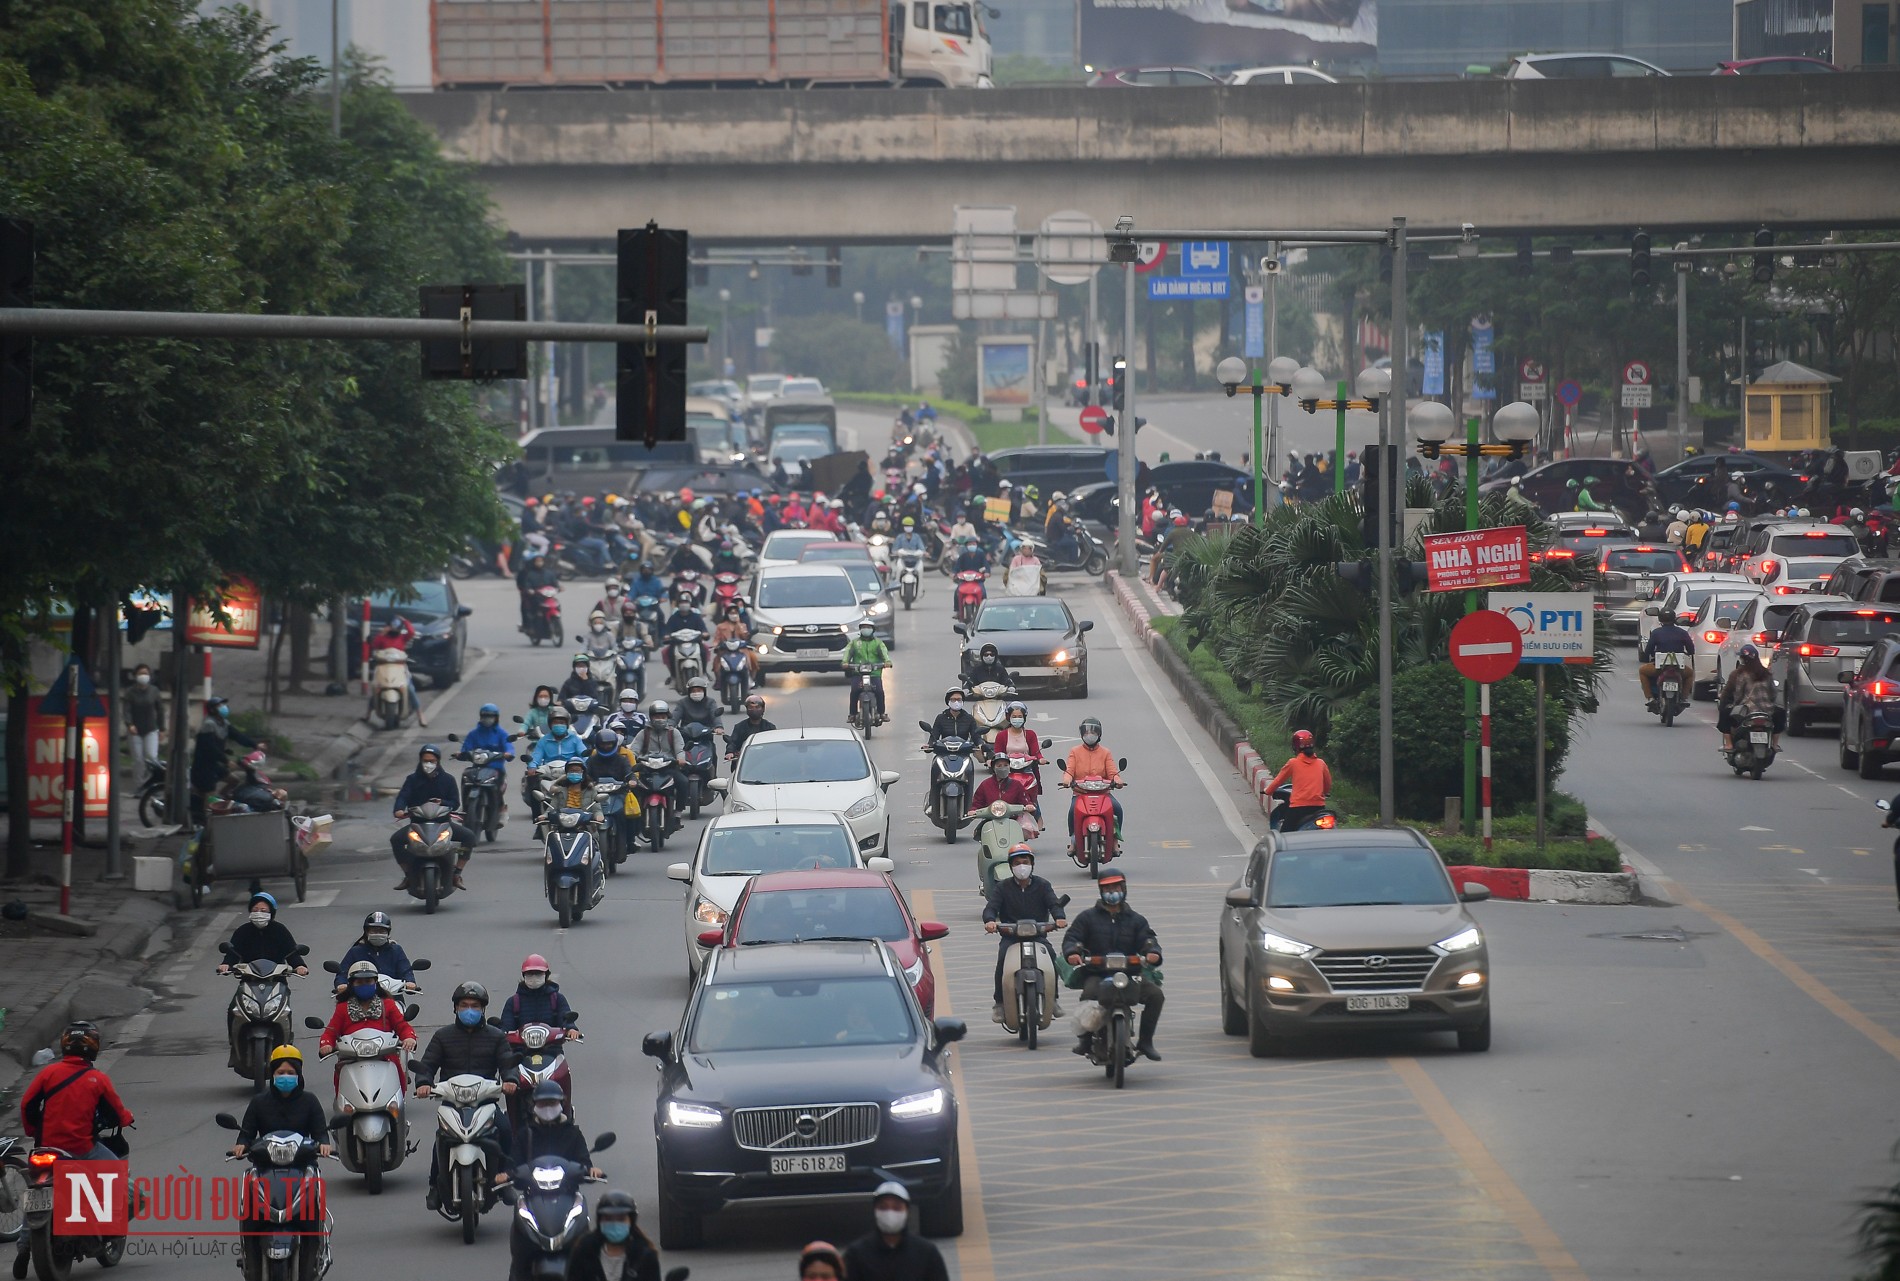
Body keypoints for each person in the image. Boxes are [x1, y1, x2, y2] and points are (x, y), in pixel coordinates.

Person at [416, 981, 518, 1209]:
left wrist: (510, 1079)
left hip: (486, 1102)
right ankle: (435, 1185)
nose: (469, 1010)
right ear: (455, 1008)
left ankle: (506, 1179)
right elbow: (427, 1065)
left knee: (505, 1130)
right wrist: (423, 1083)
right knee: (443, 1137)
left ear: (483, 1009)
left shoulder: (496, 1036)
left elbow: (507, 1063)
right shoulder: (443, 1036)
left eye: (474, 1005)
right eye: (464, 1005)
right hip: (453, 1103)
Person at [1063, 869, 1164, 1060]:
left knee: (1156, 995)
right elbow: (1072, 938)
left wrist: (1152, 953)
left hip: (1130, 974)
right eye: (1107, 888)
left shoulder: (1136, 920)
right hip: (1097, 973)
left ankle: (1146, 1041)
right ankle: (1085, 1039)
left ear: (1123, 889)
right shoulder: (1087, 918)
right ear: (1101, 891)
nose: (1112, 891)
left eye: (1116, 887)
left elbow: (1148, 940)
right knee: (1089, 994)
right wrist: (1073, 953)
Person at [20, 1022, 135, 1163]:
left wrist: (34, 1131)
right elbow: (116, 1114)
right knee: (116, 1175)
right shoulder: (98, 1080)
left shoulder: (48, 1073)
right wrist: (126, 1118)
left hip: (46, 1147)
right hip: (82, 1149)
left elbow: (27, 1105)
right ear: (93, 1046)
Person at [983, 845, 1067, 1021]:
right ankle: (999, 1003)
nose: (1022, 866)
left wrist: (1059, 918)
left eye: (1025, 862)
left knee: (1052, 958)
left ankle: (1054, 999)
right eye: (1017, 863)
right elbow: (991, 908)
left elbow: (1054, 904)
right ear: (1011, 866)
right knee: (1002, 961)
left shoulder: (1043, 885)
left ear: (1032, 864)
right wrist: (990, 921)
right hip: (1011, 937)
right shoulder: (1003, 887)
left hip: (1038, 935)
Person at [318, 960, 419, 1089]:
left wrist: (409, 1037)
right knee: (341, 1072)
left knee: (396, 1066)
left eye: (368, 981)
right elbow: (331, 1031)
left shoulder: (387, 1004)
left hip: (384, 1056)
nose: (364, 985)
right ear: (352, 984)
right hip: (351, 1057)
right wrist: (326, 1043)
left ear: (375, 983)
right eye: (359, 982)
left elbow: (402, 1026)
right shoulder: (342, 1008)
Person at [389, 743, 475, 891]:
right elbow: (403, 797)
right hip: (417, 824)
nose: (428, 764)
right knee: (396, 840)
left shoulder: (448, 780)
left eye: (432, 761)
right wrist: (398, 810)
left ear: (438, 761)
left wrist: (442, 802)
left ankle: (457, 873)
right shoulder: (412, 780)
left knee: (469, 837)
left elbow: (455, 803)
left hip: (443, 824)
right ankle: (408, 875)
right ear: (420, 761)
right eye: (425, 761)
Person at [229, 1045, 331, 1160]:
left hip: (302, 1161)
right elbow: (247, 1134)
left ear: (299, 1075)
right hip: (265, 1162)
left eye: (291, 1073)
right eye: (281, 1072)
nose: (286, 1076)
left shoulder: (310, 1101)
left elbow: (320, 1132)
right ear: (273, 1075)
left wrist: (323, 1143)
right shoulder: (259, 1102)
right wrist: (241, 1144)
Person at [843, 1182, 950, 1281]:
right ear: (875, 1210)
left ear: (907, 1211)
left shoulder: (927, 1253)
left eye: (897, 1207)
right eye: (883, 1207)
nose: (890, 1212)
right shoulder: (856, 1254)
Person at [566, 1190, 661, 1281]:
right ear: (600, 1221)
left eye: (621, 1219)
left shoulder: (645, 1256)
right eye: (608, 1218)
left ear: (631, 1222)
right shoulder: (584, 1252)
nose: (615, 1223)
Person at [1061, 717, 1123, 842]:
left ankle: (1115, 839)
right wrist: (1067, 780)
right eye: (1087, 732)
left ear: (1099, 734)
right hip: (1080, 793)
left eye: (1093, 733)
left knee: (1117, 809)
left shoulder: (1105, 752)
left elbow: (1112, 772)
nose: (1090, 735)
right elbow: (1069, 770)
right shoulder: (1075, 751)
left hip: (1103, 793)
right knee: (1072, 811)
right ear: (1082, 734)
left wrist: (1117, 780)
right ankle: (1073, 840)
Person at [630, 702, 688, 831]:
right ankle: (635, 815)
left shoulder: (674, 733)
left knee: (684, 782)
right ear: (651, 717)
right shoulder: (643, 733)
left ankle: (677, 814)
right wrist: (632, 759)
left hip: (669, 768)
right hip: (647, 769)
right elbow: (634, 750)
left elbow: (680, 749)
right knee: (632, 786)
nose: (660, 719)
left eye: (662, 716)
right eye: (657, 716)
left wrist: (681, 759)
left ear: (667, 717)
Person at [526, 706, 588, 819]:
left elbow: (584, 754)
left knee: (589, 787)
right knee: (533, 786)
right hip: (549, 772)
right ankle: (538, 820)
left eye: (562, 722)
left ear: (567, 724)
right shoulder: (543, 741)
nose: (559, 725)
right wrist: (532, 766)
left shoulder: (575, 739)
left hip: (570, 771)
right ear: (550, 724)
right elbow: (536, 756)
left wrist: (588, 764)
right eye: (556, 722)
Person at [220, 891, 308, 971]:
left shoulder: (279, 930)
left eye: (263, 910)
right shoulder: (242, 931)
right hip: (248, 978)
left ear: (271, 912)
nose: (259, 913)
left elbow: (291, 952)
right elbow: (233, 953)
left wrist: (299, 966)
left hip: (277, 978)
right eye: (255, 910)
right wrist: (226, 964)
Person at [332, 910, 415, 994]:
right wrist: (341, 984)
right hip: (360, 997)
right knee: (344, 1007)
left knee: (404, 1008)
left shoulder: (396, 950)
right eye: (374, 931)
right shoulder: (356, 951)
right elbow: (343, 972)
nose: (378, 934)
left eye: (382, 931)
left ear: (388, 933)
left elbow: (405, 970)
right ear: (367, 932)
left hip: (393, 996)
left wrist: (410, 982)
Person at [1719, 643, 1783, 751]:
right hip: (1767, 711)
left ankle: (1729, 744)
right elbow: (1773, 693)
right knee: (1780, 713)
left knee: (1724, 714)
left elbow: (1738, 695)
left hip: (1746, 710)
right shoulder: (1766, 673)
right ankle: (1775, 744)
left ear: (1742, 660)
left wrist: (1730, 705)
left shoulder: (1740, 674)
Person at [585, 728, 641, 851]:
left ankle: (630, 840)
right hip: (596, 795)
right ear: (598, 745)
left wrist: (632, 781)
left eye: (609, 744)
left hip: (618, 794)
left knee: (628, 815)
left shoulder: (622, 759)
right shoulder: (592, 760)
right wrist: (587, 782)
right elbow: (586, 774)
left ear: (614, 744)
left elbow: (629, 773)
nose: (606, 747)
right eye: (603, 744)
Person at [1268, 730, 1333, 831]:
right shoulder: (1321, 763)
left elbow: (1278, 781)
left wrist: (1267, 791)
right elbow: (1328, 784)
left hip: (1298, 808)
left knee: (1285, 835)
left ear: (1295, 747)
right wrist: (1324, 792)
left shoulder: (1293, 763)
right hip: (1318, 808)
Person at [461, 702, 515, 820]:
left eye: (491, 716)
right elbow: (466, 747)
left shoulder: (501, 733)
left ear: (496, 718)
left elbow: (508, 745)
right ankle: (465, 809)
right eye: (485, 716)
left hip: (496, 769)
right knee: (465, 779)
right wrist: (462, 753)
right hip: (477, 768)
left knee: (497, 788)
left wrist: (508, 753)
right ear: (481, 717)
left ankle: (500, 808)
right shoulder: (474, 734)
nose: (487, 719)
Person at [371, 615, 425, 722]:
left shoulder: (402, 638)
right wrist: (382, 633)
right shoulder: (383, 638)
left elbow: (411, 632)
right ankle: (368, 713)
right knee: (376, 687)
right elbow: (375, 644)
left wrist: (405, 620)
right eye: (392, 627)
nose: (394, 630)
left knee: (410, 688)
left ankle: (420, 714)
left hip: (400, 667)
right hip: (384, 667)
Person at [1638, 610, 1696, 708]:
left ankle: (1650, 698)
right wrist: (1689, 653)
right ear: (1674, 619)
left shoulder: (1656, 633)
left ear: (1660, 619)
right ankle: (1684, 697)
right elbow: (1691, 649)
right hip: (1678, 668)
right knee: (1690, 674)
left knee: (1642, 671)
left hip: (1659, 668)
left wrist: (1653, 655)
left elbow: (1648, 650)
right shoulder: (1682, 633)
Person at [123, 663, 164, 786]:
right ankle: (139, 786)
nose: (143, 676)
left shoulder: (154, 691)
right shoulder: (130, 692)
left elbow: (160, 709)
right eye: (140, 673)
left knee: (152, 757)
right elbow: (127, 710)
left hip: (151, 729)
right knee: (138, 760)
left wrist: (162, 728)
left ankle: (153, 785)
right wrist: (129, 724)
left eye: (146, 673)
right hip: (135, 730)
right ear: (135, 676)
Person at [842, 620, 891, 723]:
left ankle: (882, 713)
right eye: (864, 627)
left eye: (868, 627)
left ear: (873, 630)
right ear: (860, 629)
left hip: (874, 674)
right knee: (855, 691)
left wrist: (887, 662)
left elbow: (884, 653)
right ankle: (852, 714)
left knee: (879, 692)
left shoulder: (878, 643)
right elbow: (847, 653)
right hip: (858, 674)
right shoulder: (854, 643)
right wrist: (845, 662)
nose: (866, 629)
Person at [725, 695, 778, 768]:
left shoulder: (770, 727)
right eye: (751, 708)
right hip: (744, 762)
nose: (754, 710)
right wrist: (730, 752)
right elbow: (733, 742)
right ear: (747, 709)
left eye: (757, 707)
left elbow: (775, 747)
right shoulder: (739, 727)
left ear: (763, 709)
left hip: (765, 762)